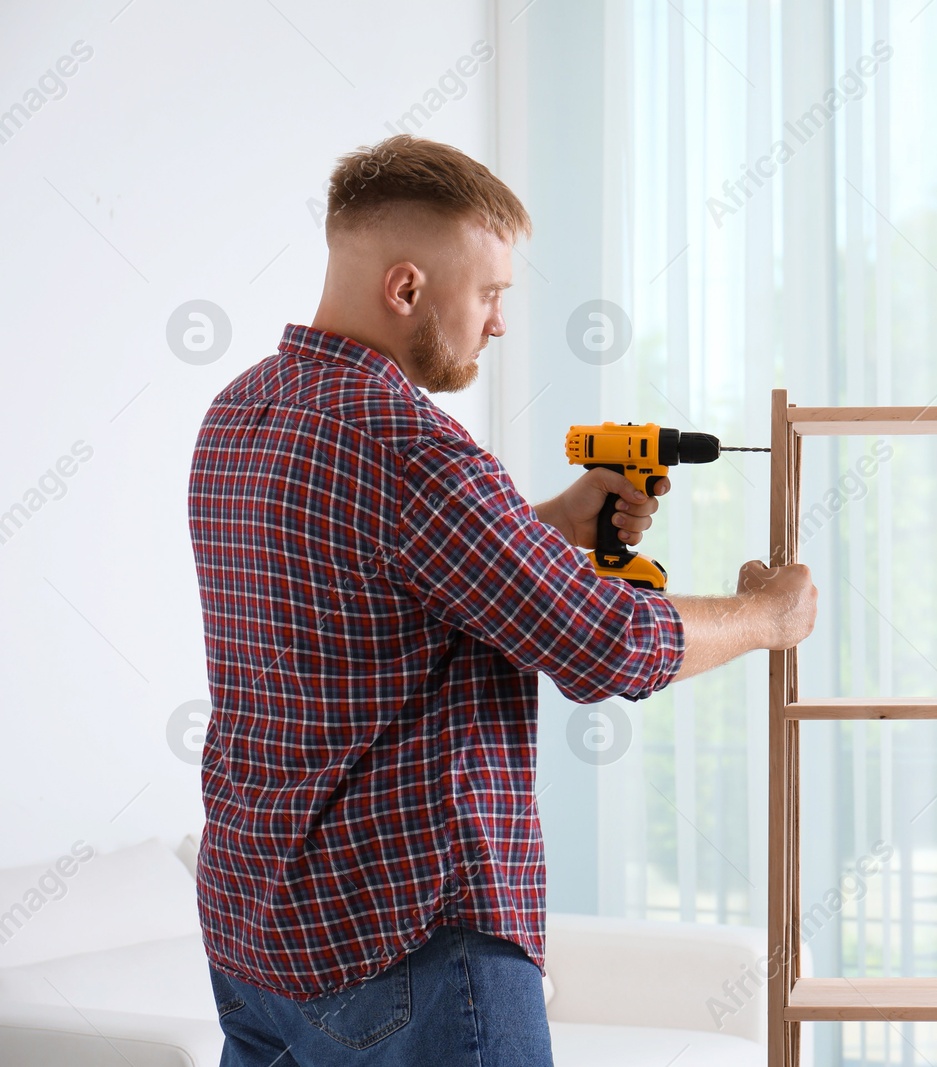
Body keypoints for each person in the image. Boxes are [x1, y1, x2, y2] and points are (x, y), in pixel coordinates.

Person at [189, 134, 816, 1066]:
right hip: (408, 946)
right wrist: (770, 616)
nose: (498, 324)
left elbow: (378, 579)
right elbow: (605, 647)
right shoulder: (412, 448)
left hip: (257, 942)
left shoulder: (241, 412)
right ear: (406, 289)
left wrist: (554, 520)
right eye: (488, 293)